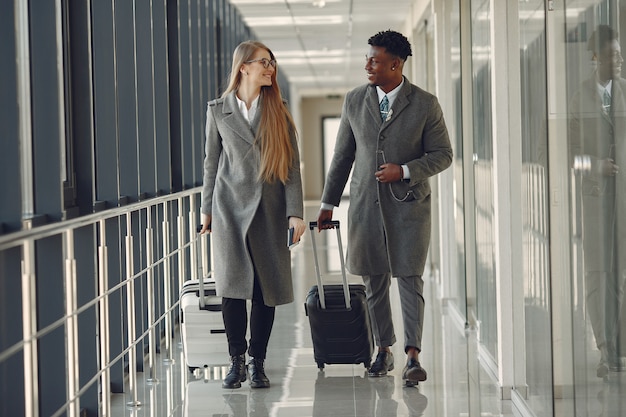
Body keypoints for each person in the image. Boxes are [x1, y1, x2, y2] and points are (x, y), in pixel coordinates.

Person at [316, 30, 453, 386]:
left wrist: (405, 171)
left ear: (396, 64)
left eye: (374, 60)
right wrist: (328, 203)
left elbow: (443, 155)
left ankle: (412, 356)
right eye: (367, 59)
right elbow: (342, 156)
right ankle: (383, 349)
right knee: (374, 280)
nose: (367, 65)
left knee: (409, 279)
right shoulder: (353, 101)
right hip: (365, 206)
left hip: (409, 206)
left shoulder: (425, 104)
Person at [200, 40, 306, 389]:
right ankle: (236, 361)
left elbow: (291, 166)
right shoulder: (218, 110)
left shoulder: (279, 110)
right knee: (231, 288)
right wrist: (206, 210)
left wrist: (295, 213)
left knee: (265, 289)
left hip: (269, 210)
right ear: (243, 66)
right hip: (228, 208)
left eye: (272, 62)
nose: (270, 67)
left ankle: (257, 362)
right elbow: (211, 165)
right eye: (264, 62)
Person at [568, 24, 626, 378]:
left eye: (620, 54)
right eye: (612, 55)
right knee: (597, 274)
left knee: (619, 274)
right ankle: (605, 347)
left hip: (623, 198)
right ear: (595, 57)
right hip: (594, 197)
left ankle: (618, 346)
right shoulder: (578, 99)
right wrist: (594, 166)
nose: (618, 60)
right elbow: (564, 155)